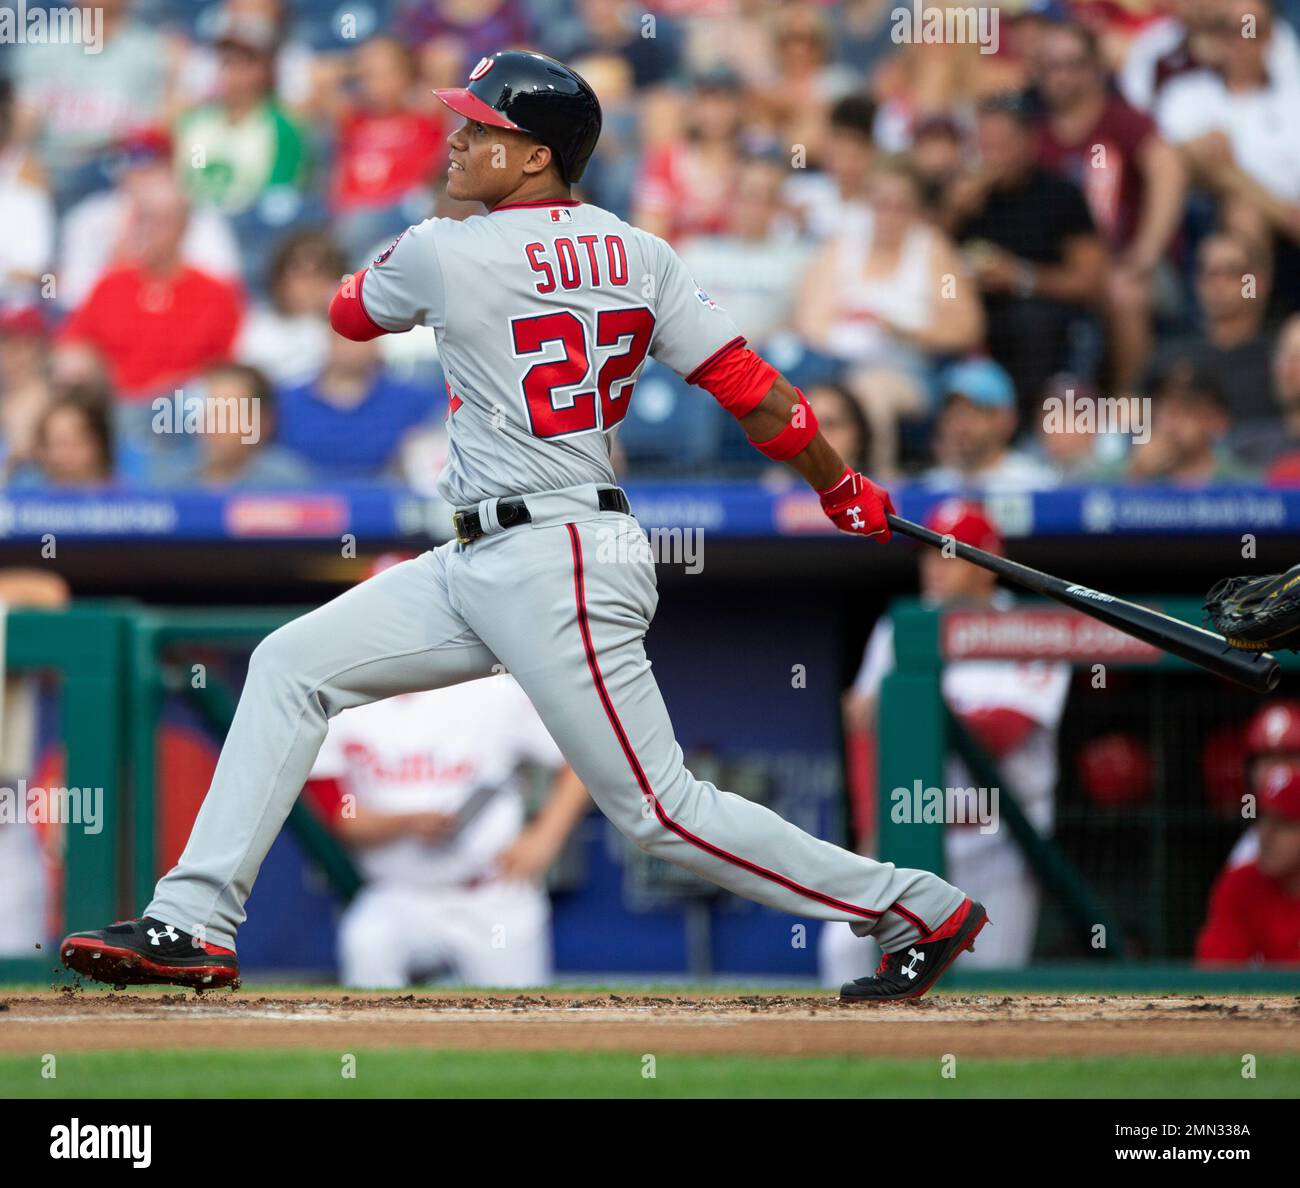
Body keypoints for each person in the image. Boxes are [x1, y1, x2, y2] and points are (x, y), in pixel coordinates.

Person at [62, 50, 986, 1005]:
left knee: (661, 812)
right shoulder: (642, 251)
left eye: (481, 129)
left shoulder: (443, 247)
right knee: (291, 666)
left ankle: (910, 904)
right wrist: (840, 488)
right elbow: (763, 400)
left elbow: (346, 313)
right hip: (485, 555)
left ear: (537, 156)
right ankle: (195, 922)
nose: (456, 140)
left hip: (558, 558)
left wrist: (436, 241)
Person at [825, 500, 1071, 982]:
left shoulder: (1030, 629)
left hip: (1001, 839)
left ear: (988, 562)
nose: (932, 568)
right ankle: (850, 1056)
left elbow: (1003, 731)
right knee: (844, 950)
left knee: (988, 982)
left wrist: (909, 713)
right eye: (927, 554)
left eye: (949, 554)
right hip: (913, 832)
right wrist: (872, 826)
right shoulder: (901, 624)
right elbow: (861, 724)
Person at [306, 671, 590, 987]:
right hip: (398, 894)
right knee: (368, 942)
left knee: (517, 1022)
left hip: (491, 893)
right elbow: (338, 814)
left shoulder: (490, 690)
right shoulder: (342, 701)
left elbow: (584, 755)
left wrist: (545, 837)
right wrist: (407, 822)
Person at [795, 157, 984, 470]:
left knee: (870, 391)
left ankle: (879, 486)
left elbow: (965, 328)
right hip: (837, 364)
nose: (888, 215)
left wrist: (899, 330)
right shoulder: (842, 247)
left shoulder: (932, 251)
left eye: (900, 206)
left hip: (910, 372)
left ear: (916, 210)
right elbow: (810, 320)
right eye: (881, 204)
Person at [1034, 21, 1187, 394]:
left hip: (1131, 264)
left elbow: (1169, 172)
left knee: (1124, 293)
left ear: (1095, 68)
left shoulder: (1121, 120)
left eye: (1073, 64)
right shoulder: (1032, 136)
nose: (1062, 76)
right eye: (1051, 65)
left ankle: (1126, 414)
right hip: (1064, 270)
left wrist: (1146, 252)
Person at [946, 95, 1108, 427]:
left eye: (1002, 144)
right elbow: (921, 257)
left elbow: (1090, 280)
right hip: (970, 311)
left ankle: (1026, 429)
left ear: (1028, 142)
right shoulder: (962, 196)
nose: (991, 155)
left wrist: (1021, 277)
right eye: (984, 144)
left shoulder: (1060, 195)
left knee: (1029, 323)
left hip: (1041, 313)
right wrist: (953, 211)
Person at [1196, 700, 1300, 965]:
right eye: (1264, 819)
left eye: (1284, 824)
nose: (1266, 834)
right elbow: (1214, 976)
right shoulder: (1243, 878)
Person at [1148, 231, 1278, 424]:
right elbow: (1130, 419)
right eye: (1210, 273)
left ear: (1257, 283)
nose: (1218, 284)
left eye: (1232, 272)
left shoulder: (1281, 357)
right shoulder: (1169, 356)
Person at [274, 334, 442, 481]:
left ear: (377, 345)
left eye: (360, 337)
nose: (350, 346)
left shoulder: (411, 399)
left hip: (387, 496)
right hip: (303, 499)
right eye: (341, 337)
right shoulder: (286, 400)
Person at [150, 362, 312, 489]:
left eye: (228, 415)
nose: (213, 426)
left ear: (262, 421)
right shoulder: (169, 484)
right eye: (208, 412)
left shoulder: (288, 485)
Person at [924, 358, 1060, 493]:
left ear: (1006, 420)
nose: (961, 425)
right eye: (954, 412)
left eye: (975, 412)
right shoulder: (930, 488)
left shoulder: (1037, 485)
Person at [237, 230, 346, 388]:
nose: (310, 286)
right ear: (280, 281)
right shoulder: (260, 327)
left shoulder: (352, 328)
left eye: (319, 273)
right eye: (299, 274)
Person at [1126, 360, 1255, 484]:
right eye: (1162, 406)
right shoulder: (1124, 473)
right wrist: (1138, 476)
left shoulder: (1242, 485)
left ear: (1217, 420)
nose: (1169, 420)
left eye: (1185, 408)